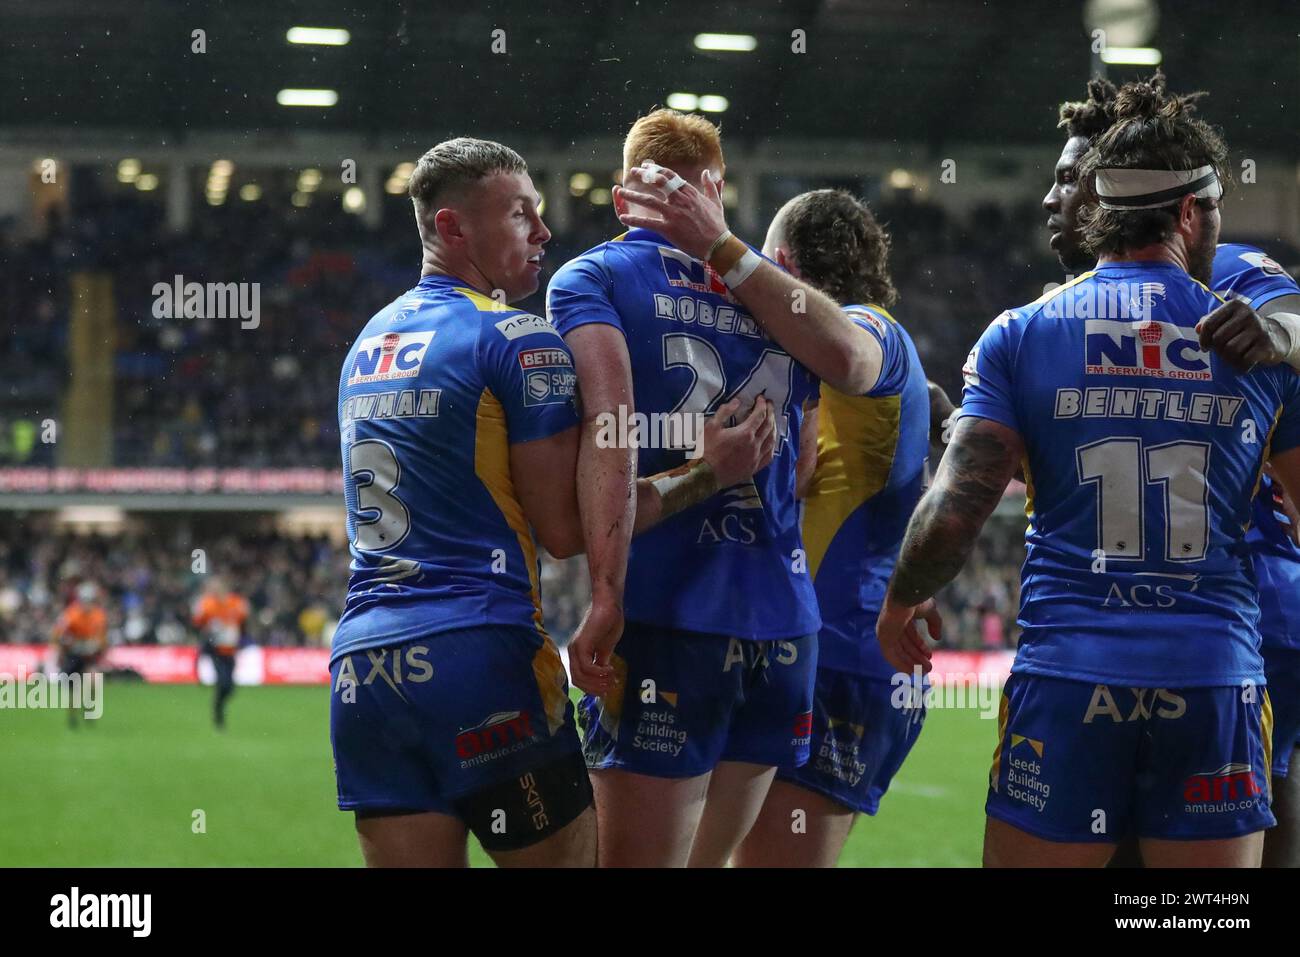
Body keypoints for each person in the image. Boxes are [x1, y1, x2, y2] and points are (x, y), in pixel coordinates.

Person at [879, 73, 1300, 867]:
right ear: (1186, 211)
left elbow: (959, 501)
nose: (1051, 200)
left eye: (1069, 181)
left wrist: (902, 596)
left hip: (1072, 672)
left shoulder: (1026, 330)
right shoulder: (1252, 334)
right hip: (1216, 671)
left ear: (1105, 201)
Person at [330, 136, 774, 868]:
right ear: (451, 227)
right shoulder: (518, 337)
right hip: (479, 655)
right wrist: (709, 471)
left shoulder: (365, 344)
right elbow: (567, 530)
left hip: (363, 673)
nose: (543, 233)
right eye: (520, 215)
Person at [547, 108, 895, 867]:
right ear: (715, 188)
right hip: (782, 628)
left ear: (619, 198)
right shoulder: (770, 292)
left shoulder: (593, 277)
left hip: (667, 618)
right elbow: (802, 464)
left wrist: (604, 593)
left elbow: (611, 430)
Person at [1046, 75, 1300, 868]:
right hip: (1147, 620)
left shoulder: (1224, 271)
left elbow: (1291, 312)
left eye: (1070, 177)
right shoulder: (1073, 304)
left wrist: (1282, 331)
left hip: (1241, 604)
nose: (1054, 195)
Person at [731, 189, 935, 867]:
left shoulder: (865, 329)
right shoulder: (868, 356)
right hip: (848, 653)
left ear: (783, 264)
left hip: (840, 655)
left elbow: (850, 352)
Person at [50, 581, 108, 729]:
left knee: (94, 680)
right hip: (73, 655)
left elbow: (102, 638)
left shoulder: (99, 615)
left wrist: (97, 646)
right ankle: (72, 716)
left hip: (89, 656)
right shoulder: (71, 614)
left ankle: (88, 707)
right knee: (74, 690)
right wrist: (65, 646)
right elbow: (57, 634)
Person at [193, 576, 248, 729]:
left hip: (230, 650)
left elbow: (243, 624)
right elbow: (198, 624)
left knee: (230, 687)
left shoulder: (237, 603)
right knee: (223, 682)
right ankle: (218, 712)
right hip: (215, 650)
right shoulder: (207, 605)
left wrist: (242, 640)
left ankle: (218, 704)